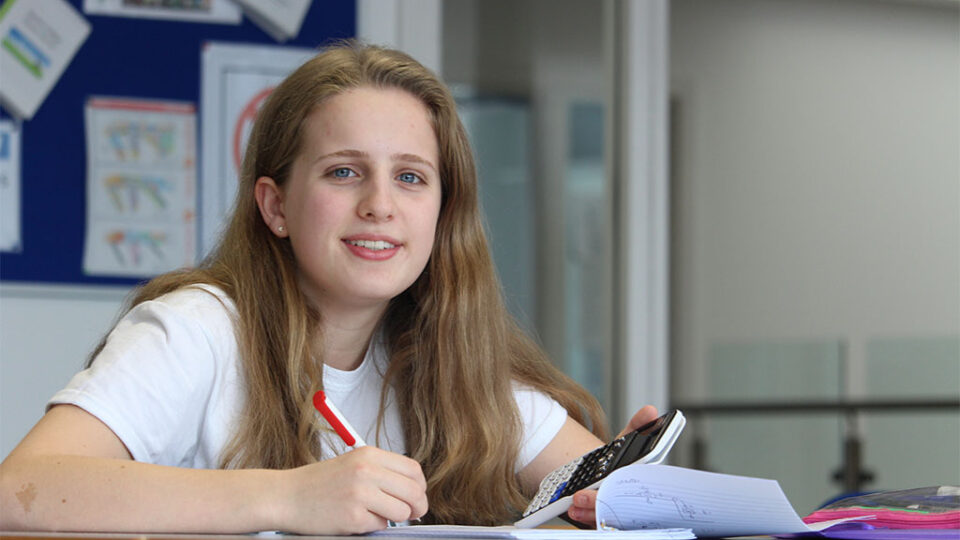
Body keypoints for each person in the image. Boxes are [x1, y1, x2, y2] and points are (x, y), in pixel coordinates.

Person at [0, 41, 658, 535]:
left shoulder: (457, 363)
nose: (380, 204)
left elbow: (601, 489)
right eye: (344, 172)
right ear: (276, 206)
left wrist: (632, 493)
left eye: (410, 177)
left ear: (441, 211)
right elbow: (20, 491)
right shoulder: (195, 331)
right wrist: (289, 498)